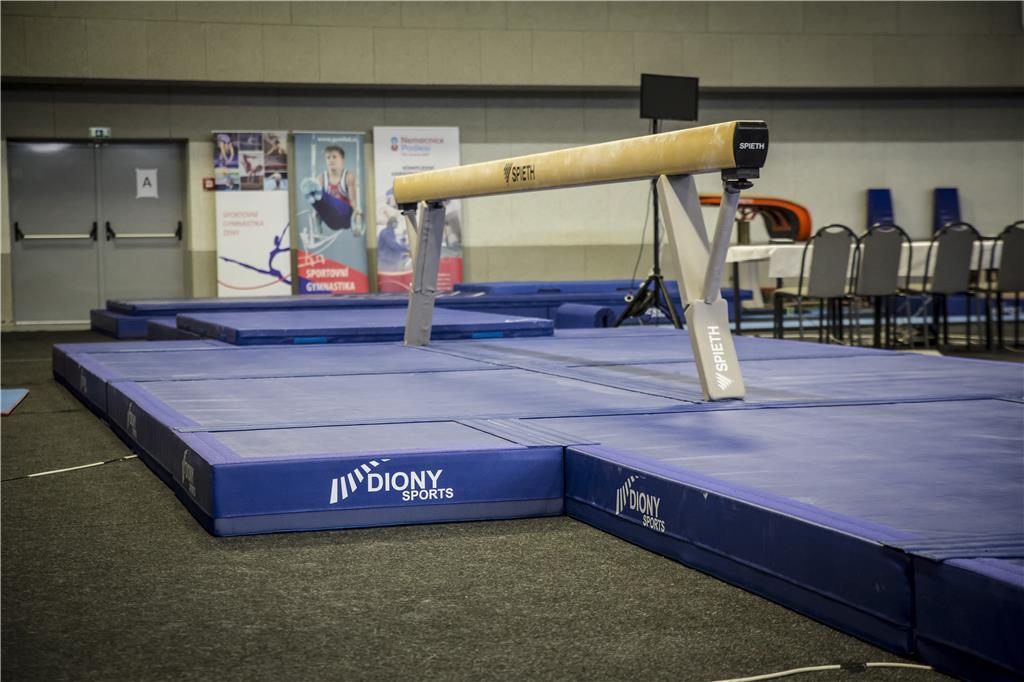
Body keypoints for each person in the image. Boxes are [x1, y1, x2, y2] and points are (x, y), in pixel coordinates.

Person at [300, 145, 364, 236]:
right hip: (331, 221)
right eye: (328, 157)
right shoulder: (321, 178)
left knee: (328, 199)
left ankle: (317, 193)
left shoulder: (348, 176)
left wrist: (356, 221)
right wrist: (317, 218)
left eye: (334, 157)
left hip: (346, 217)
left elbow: (353, 201)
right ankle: (312, 193)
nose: (331, 160)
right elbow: (320, 209)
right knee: (321, 201)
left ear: (342, 160)